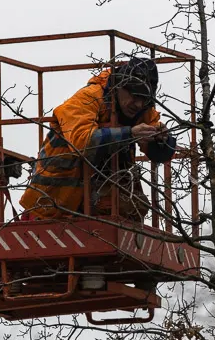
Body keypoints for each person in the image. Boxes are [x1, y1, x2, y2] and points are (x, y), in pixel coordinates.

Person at [19, 57, 177, 221]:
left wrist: (162, 140)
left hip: (98, 209)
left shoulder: (141, 110)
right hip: (50, 207)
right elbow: (83, 143)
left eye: (144, 99)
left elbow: (160, 154)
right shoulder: (87, 99)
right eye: (135, 95)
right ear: (119, 85)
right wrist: (129, 134)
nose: (138, 104)